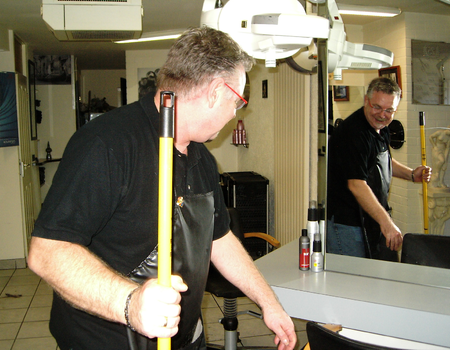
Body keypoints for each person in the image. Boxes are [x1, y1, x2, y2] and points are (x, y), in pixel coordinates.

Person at [27, 27, 296, 350]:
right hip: (106, 339)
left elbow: (219, 239)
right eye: (237, 101)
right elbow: (46, 252)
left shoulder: (202, 160)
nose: (234, 113)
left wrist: (268, 301)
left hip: (183, 338)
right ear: (214, 92)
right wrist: (130, 304)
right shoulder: (108, 143)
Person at [327, 77, 432, 261]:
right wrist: (387, 223)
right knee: (353, 283)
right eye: (377, 107)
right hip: (348, 225)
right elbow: (356, 184)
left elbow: (382, 161)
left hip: (369, 220)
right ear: (366, 101)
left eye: (389, 110)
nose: (382, 114)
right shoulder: (354, 133)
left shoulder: (381, 127)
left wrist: (411, 175)